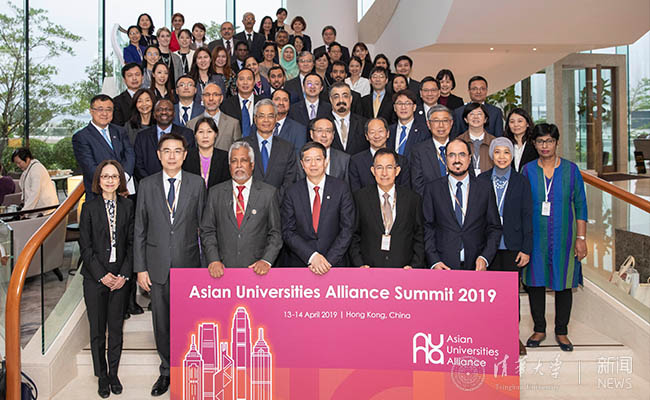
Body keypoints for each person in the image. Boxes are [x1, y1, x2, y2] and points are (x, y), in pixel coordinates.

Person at [134, 132, 206, 396]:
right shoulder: (147, 185)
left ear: (185, 155)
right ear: (159, 155)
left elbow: (204, 228)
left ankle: (189, 368)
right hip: (157, 267)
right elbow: (139, 229)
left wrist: (206, 266)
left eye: (177, 151)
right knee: (162, 323)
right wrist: (140, 268)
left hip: (189, 265)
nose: (172, 156)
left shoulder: (197, 184)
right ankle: (166, 371)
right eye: (167, 151)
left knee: (189, 321)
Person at [521, 123, 588, 353]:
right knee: (535, 282)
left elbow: (580, 205)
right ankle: (539, 329)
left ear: (556, 143)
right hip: (535, 238)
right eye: (540, 141)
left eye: (549, 141)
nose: (545, 146)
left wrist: (581, 238)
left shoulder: (571, 170)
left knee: (564, 282)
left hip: (564, 237)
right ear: (534, 144)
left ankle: (561, 331)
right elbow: (521, 207)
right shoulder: (528, 170)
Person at [79, 160, 134, 398]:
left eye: (114, 176)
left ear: (120, 180)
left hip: (120, 276)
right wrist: (102, 275)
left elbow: (132, 243)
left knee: (116, 329)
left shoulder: (128, 206)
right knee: (98, 331)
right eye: (105, 176)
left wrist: (123, 274)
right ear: (98, 181)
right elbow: (85, 247)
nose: (110, 180)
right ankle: (101, 376)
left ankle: (113, 374)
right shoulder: (88, 207)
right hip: (95, 277)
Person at [478, 137, 533, 356]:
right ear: (492, 155)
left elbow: (528, 216)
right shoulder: (481, 179)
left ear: (512, 156)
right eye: (497, 152)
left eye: (506, 152)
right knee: (488, 294)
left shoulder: (521, 181)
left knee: (510, 295)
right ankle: (489, 335)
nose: (502, 157)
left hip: (512, 245)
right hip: (487, 246)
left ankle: (512, 336)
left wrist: (526, 248)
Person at [201, 140, 282, 277]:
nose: (238, 165)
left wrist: (266, 260)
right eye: (234, 161)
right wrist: (213, 259)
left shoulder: (268, 193)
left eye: (243, 160)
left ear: (252, 164)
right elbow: (207, 230)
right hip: (222, 271)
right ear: (229, 166)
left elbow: (275, 233)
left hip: (257, 271)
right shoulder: (215, 193)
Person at [422, 139, 502, 271]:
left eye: (462, 155)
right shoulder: (432, 189)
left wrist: (485, 257)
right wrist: (434, 261)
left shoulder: (484, 188)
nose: (457, 160)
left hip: (476, 266)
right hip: (443, 266)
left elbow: (494, 227)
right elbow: (427, 227)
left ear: (469, 158)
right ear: (445, 159)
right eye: (452, 155)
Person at [281, 141, 355, 271]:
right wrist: (312, 257)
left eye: (318, 159)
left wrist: (328, 261)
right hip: (302, 264)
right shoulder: (292, 192)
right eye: (308, 160)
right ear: (302, 164)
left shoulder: (341, 188)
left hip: (334, 264)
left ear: (326, 161)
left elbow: (347, 229)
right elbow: (288, 231)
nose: (313, 164)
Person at [350, 148, 424, 268]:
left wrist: (414, 266)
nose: (384, 173)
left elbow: (419, 236)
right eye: (379, 168)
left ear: (397, 170)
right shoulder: (360, 198)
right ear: (373, 170)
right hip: (369, 270)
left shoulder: (412, 199)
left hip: (404, 270)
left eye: (389, 167)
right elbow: (354, 235)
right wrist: (359, 264)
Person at [73, 94, 136, 199]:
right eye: (100, 109)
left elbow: (130, 155)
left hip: (124, 193)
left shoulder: (120, 131)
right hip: (98, 196)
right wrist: (114, 183)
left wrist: (123, 180)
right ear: (91, 111)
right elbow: (89, 167)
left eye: (108, 109)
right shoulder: (81, 137)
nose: (104, 113)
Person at [241, 99, 297, 200]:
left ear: (276, 119)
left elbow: (289, 180)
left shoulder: (287, 148)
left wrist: (274, 201)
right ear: (255, 119)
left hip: (279, 204)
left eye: (270, 116)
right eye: (261, 116)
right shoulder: (242, 146)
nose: (266, 120)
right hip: (248, 203)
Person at [134, 99, 195, 180]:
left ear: (174, 114)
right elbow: (138, 165)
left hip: (180, 183)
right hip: (149, 184)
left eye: (168, 109)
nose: (164, 112)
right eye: (159, 110)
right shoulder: (142, 136)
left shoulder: (187, 134)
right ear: (154, 114)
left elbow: (190, 162)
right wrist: (150, 183)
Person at [349, 118, 410, 192]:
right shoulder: (356, 161)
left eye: (380, 131)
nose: (377, 136)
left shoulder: (401, 161)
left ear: (387, 134)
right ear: (367, 136)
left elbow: (406, 191)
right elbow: (356, 192)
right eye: (372, 132)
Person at [410, 104, 453, 196]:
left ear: (451, 123)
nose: (441, 125)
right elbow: (418, 185)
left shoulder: (461, 147)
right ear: (428, 124)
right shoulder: (419, 151)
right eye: (436, 121)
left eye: (445, 121)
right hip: (429, 201)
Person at [187, 83, 242, 152]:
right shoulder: (191, 124)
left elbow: (238, 151)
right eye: (207, 95)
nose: (211, 98)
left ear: (221, 98)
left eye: (215, 95)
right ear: (202, 98)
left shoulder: (233, 124)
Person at [182, 117, 230, 189]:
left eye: (209, 131)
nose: (205, 136)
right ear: (195, 135)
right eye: (201, 132)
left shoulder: (225, 157)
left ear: (216, 134)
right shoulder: (186, 157)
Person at [12, 148, 58, 215]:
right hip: (37, 209)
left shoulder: (36, 169)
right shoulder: (28, 169)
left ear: (27, 159)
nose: (18, 165)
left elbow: (35, 193)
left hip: (45, 210)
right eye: (16, 163)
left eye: (19, 163)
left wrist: (24, 212)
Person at [456, 102, 497, 175]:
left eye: (479, 114)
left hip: (489, 180)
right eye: (471, 114)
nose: (475, 117)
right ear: (466, 119)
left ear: (485, 119)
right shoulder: (458, 141)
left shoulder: (494, 142)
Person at [305, 117, 350, 182]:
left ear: (333, 135)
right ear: (311, 134)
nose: (324, 135)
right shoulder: (301, 157)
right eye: (319, 131)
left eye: (328, 131)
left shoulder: (344, 159)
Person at [329, 81, 368, 155]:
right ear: (331, 100)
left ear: (351, 99)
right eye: (336, 97)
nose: (341, 100)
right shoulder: (321, 123)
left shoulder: (364, 123)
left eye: (345, 96)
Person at [220, 68, 262, 137]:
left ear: (254, 82)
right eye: (241, 79)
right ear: (236, 83)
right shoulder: (226, 105)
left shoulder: (263, 103)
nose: (245, 82)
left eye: (249, 79)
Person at [387, 89, 429, 158]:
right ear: (394, 107)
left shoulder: (424, 131)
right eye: (399, 103)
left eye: (407, 103)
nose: (403, 107)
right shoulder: (388, 131)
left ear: (414, 107)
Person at [271, 89, 307, 154]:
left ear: (289, 104)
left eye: (285, 100)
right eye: (277, 99)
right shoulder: (259, 125)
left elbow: (298, 155)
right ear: (270, 102)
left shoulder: (299, 129)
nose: (281, 103)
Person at [505, 108, 538, 172]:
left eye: (520, 121)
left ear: (527, 123)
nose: (516, 125)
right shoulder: (505, 144)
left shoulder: (535, 143)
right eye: (512, 122)